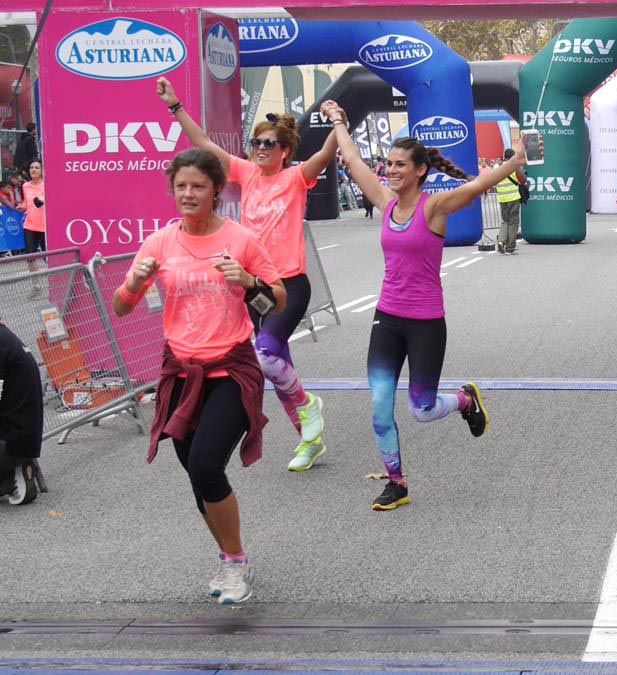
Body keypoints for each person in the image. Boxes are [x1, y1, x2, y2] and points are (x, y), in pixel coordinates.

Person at [114, 148, 287, 605]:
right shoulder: (159, 243)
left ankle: (234, 563)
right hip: (181, 371)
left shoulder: (241, 239)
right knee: (196, 472)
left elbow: (279, 303)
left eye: (198, 186)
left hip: (231, 368)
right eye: (181, 187)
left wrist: (249, 283)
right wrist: (134, 283)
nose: (188, 194)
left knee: (208, 464)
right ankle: (231, 556)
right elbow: (121, 306)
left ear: (215, 191)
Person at [321, 100, 497, 511]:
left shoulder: (433, 207)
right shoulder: (384, 202)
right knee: (379, 404)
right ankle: (396, 482)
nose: (392, 170)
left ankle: (465, 400)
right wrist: (338, 122)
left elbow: (477, 186)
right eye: (389, 164)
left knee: (422, 409)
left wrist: (519, 160)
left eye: (401, 164)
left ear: (420, 170)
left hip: (425, 322)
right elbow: (350, 157)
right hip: (387, 317)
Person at [157, 76, 337, 472]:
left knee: (266, 354)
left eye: (267, 144)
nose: (258, 149)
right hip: (252, 284)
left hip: (288, 283)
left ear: (284, 151)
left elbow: (325, 155)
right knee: (276, 363)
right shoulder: (246, 174)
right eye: (255, 143)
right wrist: (175, 107)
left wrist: (337, 122)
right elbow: (204, 144)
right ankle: (310, 438)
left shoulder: (295, 178)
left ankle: (308, 406)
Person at [0, 321, 45, 506]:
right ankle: (11, 475)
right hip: (26, 435)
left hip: (13, 442)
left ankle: (10, 477)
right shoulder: (6, 337)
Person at [15, 159, 45, 296]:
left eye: (36, 168)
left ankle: (57, 283)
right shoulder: (25, 186)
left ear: (42, 171)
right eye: (31, 167)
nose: (33, 170)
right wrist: (22, 207)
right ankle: (36, 286)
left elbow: (42, 203)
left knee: (49, 258)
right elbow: (27, 203)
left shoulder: (47, 185)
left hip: (45, 226)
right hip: (30, 225)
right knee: (30, 257)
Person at [495, 148, 525, 255]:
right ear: (512, 157)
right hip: (513, 198)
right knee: (513, 222)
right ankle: (510, 248)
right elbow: (523, 179)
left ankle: (501, 241)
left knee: (505, 221)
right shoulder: (514, 166)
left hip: (502, 198)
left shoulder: (496, 167)